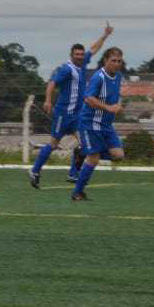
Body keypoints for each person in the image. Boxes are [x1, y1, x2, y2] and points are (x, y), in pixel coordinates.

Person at [29, 23, 113, 188]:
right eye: (77, 54)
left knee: (84, 144)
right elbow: (52, 83)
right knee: (53, 144)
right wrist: (47, 100)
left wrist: (105, 36)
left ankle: (73, 173)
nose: (81, 57)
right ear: (71, 55)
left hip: (77, 116)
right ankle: (35, 170)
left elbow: (94, 49)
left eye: (82, 54)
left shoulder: (83, 64)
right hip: (63, 114)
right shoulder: (66, 69)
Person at [71, 47, 127, 202]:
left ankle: (83, 152)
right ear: (105, 61)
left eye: (119, 61)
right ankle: (77, 193)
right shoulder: (98, 77)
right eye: (113, 61)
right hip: (90, 123)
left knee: (118, 155)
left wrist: (118, 105)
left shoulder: (118, 76)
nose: (116, 64)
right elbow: (88, 98)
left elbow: (115, 96)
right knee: (94, 159)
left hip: (106, 125)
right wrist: (109, 107)